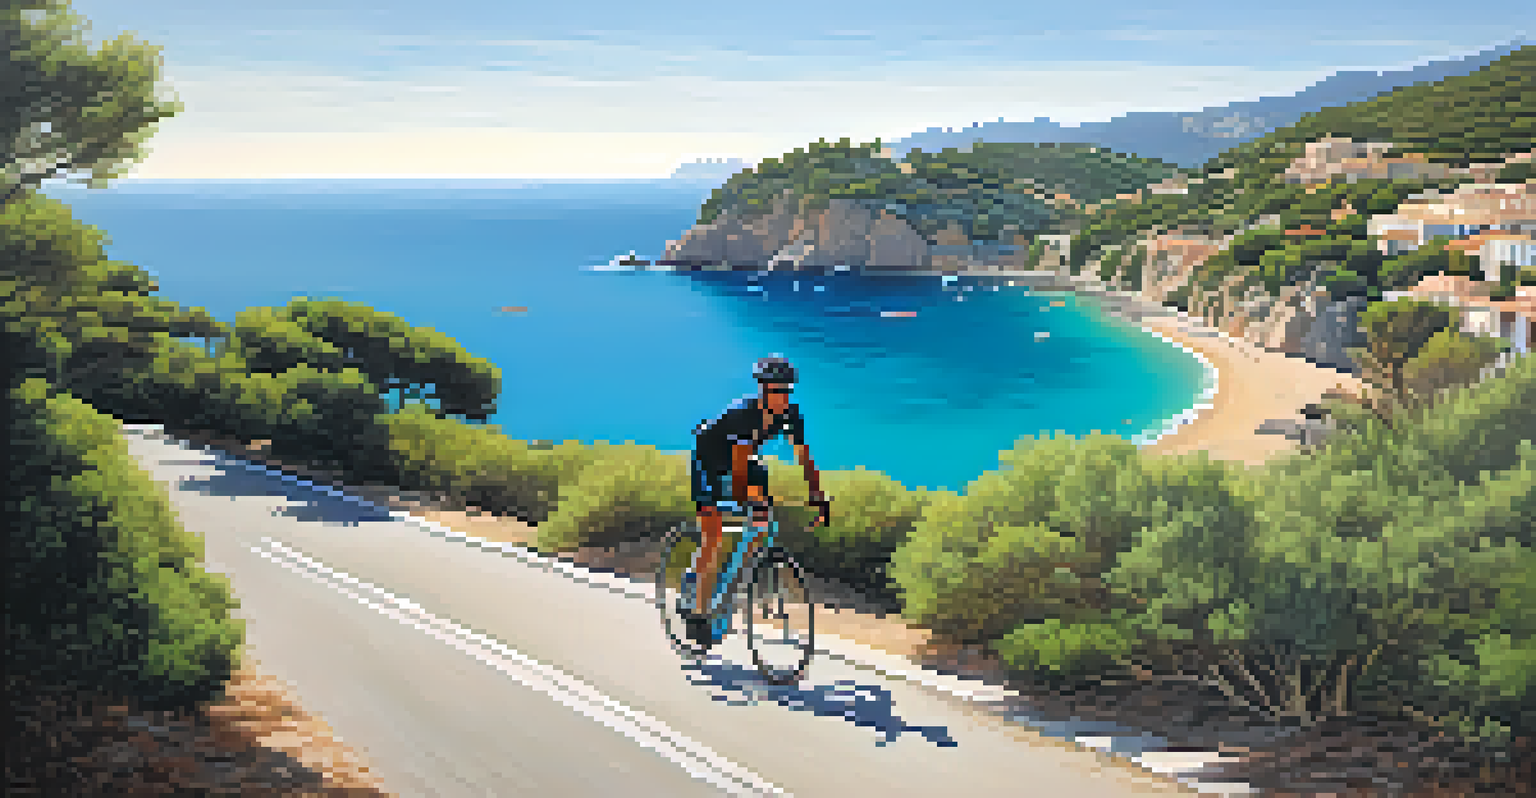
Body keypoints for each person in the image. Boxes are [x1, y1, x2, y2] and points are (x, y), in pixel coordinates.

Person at [685, 355, 830, 646]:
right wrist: (742, 502)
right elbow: (738, 468)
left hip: (745, 460)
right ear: (762, 390)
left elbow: (804, 457)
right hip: (709, 462)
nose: (781, 397)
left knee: (761, 525)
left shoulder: (791, 415)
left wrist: (818, 496)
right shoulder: (743, 414)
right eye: (775, 391)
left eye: (786, 391)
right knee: (712, 538)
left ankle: (733, 580)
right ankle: (697, 610)